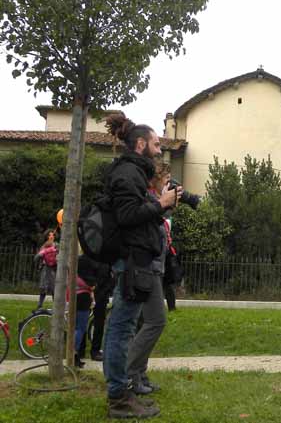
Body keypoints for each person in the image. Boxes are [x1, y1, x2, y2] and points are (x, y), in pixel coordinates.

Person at [102, 112, 181, 419]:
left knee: (122, 328)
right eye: (155, 143)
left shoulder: (134, 173)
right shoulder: (126, 174)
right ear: (140, 144)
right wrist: (160, 204)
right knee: (121, 330)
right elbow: (126, 216)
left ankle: (122, 392)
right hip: (132, 261)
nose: (159, 149)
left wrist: (159, 204)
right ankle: (119, 398)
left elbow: (137, 213)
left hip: (139, 259)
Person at [126, 160, 172, 395]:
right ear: (155, 180)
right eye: (166, 180)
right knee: (156, 321)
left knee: (145, 323)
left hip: (155, 269)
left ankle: (139, 374)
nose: (169, 185)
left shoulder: (155, 203)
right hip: (146, 269)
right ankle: (130, 374)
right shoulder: (148, 201)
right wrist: (163, 202)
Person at [73, 252, 97, 368]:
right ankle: (74, 352)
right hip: (84, 298)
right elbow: (91, 284)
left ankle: (74, 353)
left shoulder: (77, 262)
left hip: (76, 296)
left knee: (76, 327)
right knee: (81, 328)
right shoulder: (88, 263)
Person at [34, 230, 58, 310]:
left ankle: (55, 307)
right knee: (43, 287)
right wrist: (42, 254)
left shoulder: (57, 245)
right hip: (46, 268)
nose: (51, 236)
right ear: (46, 237)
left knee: (54, 288)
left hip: (55, 269)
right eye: (49, 235)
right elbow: (36, 258)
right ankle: (40, 306)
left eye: (52, 235)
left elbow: (60, 255)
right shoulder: (44, 246)